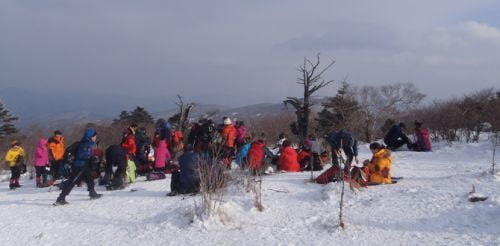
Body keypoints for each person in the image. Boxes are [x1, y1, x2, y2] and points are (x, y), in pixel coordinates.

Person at [54, 128, 102, 205]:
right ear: (91, 136)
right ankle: (61, 198)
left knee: (89, 179)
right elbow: (83, 156)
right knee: (72, 182)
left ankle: (92, 193)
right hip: (79, 166)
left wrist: (92, 158)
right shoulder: (86, 144)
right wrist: (92, 158)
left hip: (84, 166)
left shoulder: (87, 143)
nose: (95, 137)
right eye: (94, 136)